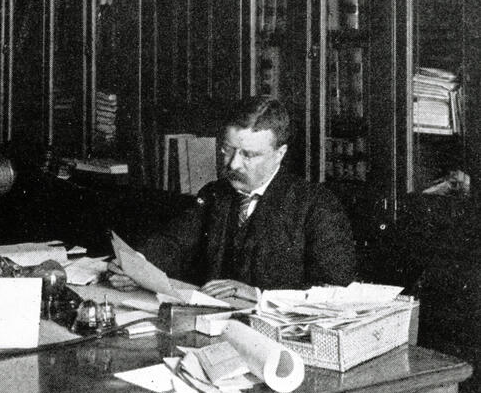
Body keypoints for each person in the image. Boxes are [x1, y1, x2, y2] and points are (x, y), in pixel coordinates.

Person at [108, 96, 356, 300]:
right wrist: (136, 266)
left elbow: (335, 289)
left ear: (279, 154)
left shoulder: (316, 206)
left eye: (249, 155)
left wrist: (258, 294)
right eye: (227, 150)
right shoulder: (215, 194)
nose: (234, 164)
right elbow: (174, 242)